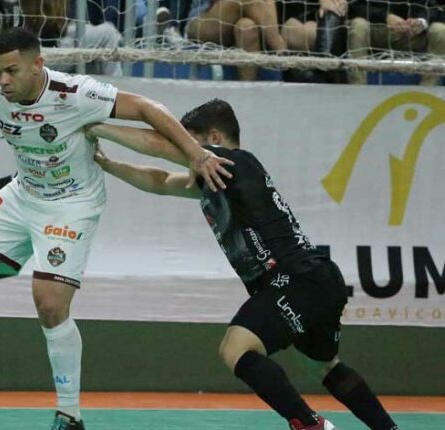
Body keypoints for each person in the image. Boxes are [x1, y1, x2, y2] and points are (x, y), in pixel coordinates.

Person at [0, 27, 231, 430]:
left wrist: (196, 153)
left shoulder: (77, 93)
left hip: (71, 205)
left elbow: (148, 109)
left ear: (38, 65)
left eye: (12, 70)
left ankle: (70, 415)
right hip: (24, 194)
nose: (3, 80)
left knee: (49, 303)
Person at [86, 99, 400, 430]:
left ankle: (311, 425)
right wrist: (109, 165)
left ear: (215, 139)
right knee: (323, 365)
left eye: (189, 141)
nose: (186, 153)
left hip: (296, 278)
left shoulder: (234, 162)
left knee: (235, 347)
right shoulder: (217, 180)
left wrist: (92, 124)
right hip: (315, 279)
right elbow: (162, 181)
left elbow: (160, 145)